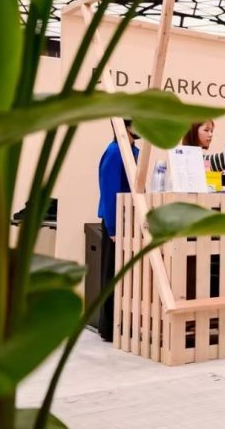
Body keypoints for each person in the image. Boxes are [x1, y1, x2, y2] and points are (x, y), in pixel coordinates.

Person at [96, 119, 139, 342]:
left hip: (129, 220)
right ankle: (109, 328)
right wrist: (112, 227)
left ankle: (123, 325)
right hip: (116, 222)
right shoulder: (114, 152)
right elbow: (108, 190)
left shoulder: (133, 151)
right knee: (111, 274)